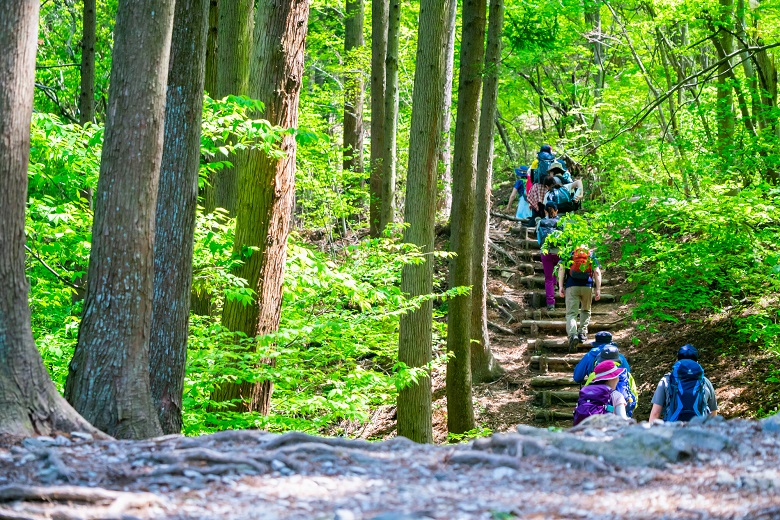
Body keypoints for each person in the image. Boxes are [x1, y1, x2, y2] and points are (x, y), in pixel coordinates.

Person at [648, 344, 718, 423]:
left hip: (674, 430)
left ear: (677, 360)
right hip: (699, 430)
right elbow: (713, 413)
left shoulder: (666, 381)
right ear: (697, 362)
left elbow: (655, 413)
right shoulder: (705, 382)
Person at [557, 244, 601, 351]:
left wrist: (561, 286)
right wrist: (598, 289)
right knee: (585, 310)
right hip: (587, 286)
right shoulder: (590, 254)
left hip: (572, 286)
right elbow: (597, 272)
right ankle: (582, 333)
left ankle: (573, 335)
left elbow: (561, 269)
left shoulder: (569, 253)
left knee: (572, 313)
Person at [580, 343, 638, 418]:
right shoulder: (626, 374)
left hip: (596, 416)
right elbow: (634, 395)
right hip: (622, 415)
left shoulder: (594, 375)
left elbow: (586, 393)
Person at [572, 360, 629, 426]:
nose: (618, 379)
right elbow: (623, 421)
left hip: (584, 432)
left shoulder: (586, 391)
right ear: (611, 378)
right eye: (617, 376)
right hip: (607, 433)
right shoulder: (617, 395)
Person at [536, 201, 560, 311]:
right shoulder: (561, 222)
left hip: (546, 252)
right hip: (559, 252)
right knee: (558, 272)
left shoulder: (541, 222)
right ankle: (557, 288)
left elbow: (539, 240)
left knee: (548, 278)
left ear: (545, 211)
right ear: (556, 211)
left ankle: (550, 304)